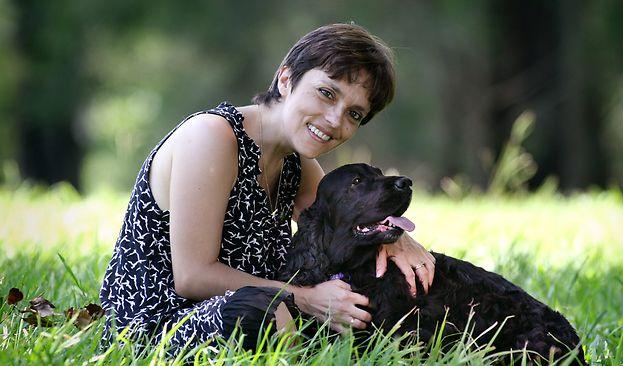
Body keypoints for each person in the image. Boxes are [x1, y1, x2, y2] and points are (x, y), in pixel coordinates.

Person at [99, 23, 436, 351]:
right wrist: (303, 299)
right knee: (267, 313)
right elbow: (192, 276)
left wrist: (400, 238)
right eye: (326, 93)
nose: (335, 120)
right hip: (161, 323)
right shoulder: (211, 136)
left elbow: (342, 219)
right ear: (286, 79)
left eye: (354, 114)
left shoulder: (295, 158)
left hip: (266, 304)